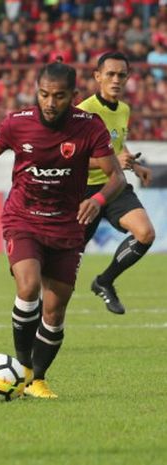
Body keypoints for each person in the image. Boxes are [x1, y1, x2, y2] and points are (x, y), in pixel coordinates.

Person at [0, 62, 126, 399]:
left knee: (55, 312)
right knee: (28, 286)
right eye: (44, 94)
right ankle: (21, 366)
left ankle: (37, 379)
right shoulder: (17, 123)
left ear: (73, 97)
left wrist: (100, 199)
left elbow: (116, 176)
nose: (49, 102)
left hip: (67, 225)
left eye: (58, 97)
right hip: (23, 218)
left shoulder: (90, 127)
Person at [77, 51, 155, 315]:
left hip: (114, 185)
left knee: (145, 233)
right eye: (110, 74)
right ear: (97, 77)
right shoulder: (83, 113)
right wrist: (109, 161)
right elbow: (69, 159)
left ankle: (104, 281)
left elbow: (116, 147)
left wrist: (135, 165)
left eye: (121, 75)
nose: (116, 79)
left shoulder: (124, 109)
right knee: (65, 265)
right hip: (82, 192)